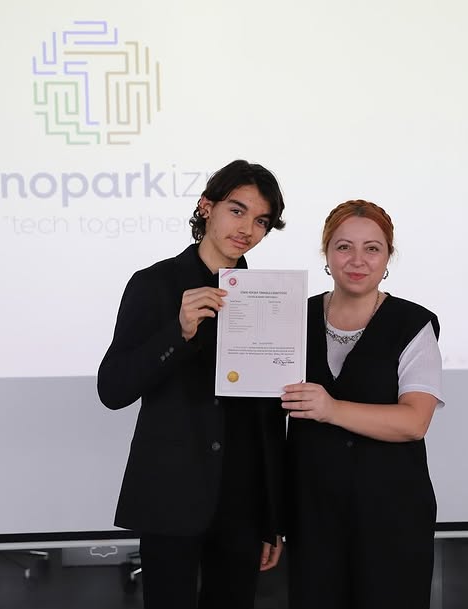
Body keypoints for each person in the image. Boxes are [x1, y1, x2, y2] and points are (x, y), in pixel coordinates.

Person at [97, 159, 287, 609]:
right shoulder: (154, 285)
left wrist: (272, 516)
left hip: (243, 500)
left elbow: (269, 420)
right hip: (171, 492)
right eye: (237, 210)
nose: (247, 229)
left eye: (261, 221)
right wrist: (177, 334)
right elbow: (113, 389)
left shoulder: (271, 297)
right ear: (206, 206)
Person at [281, 199, 444, 609]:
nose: (357, 260)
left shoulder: (413, 323)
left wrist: (331, 409)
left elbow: (414, 422)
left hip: (392, 515)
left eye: (372, 248)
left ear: (388, 256)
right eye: (344, 247)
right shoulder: (290, 318)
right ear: (326, 253)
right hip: (312, 513)